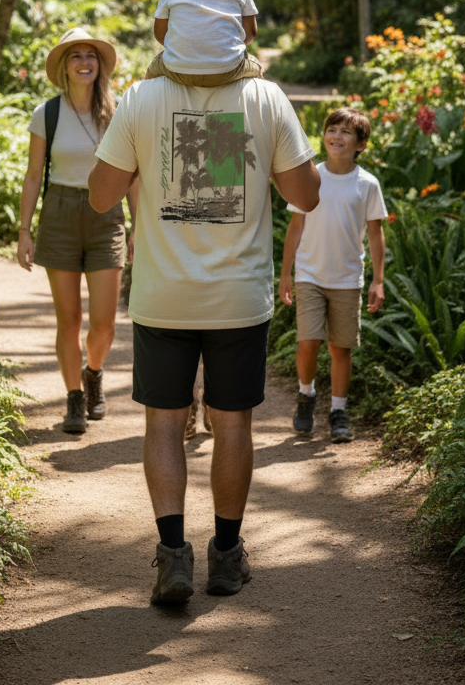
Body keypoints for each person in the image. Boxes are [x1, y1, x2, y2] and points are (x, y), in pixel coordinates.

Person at [88, 73, 320, 605]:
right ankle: (226, 555)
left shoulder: (142, 98)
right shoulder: (265, 98)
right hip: (236, 299)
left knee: (164, 422)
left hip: (163, 294)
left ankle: (173, 559)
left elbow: (101, 195)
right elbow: (306, 194)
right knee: (233, 421)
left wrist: (145, 153)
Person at [18, 27, 137, 434]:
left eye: (91, 55)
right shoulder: (46, 114)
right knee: (68, 320)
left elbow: (132, 176)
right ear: (64, 68)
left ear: (99, 65)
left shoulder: (119, 112)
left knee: (104, 323)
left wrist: (138, 226)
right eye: (76, 56)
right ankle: (74, 399)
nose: (85, 62)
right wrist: (24, 232)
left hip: (107, 216)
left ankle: (94, 371)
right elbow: (34, 176)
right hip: (59, 213)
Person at [279, 108, 387, 443]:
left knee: (341, 348)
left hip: (347, 278)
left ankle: (339, 410)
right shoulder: (311, 177)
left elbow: (375, 234)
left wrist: (378, 280)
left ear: (361, 144)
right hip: (309, 274)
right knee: (308, 341)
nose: (336, 136)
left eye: (345, 132)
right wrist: (285, 274)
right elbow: (295, 229)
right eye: (331, 129)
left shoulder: (367, 184)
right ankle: (306, 394)